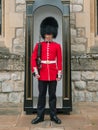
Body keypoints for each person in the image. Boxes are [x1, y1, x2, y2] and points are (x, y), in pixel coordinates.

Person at [31, 17, 62, 124]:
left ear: (53, 34)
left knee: (52, 96)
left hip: (53, 74)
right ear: (43, 34)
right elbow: (33, 59)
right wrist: (35, 72)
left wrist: (59, 73)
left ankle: (53, 115)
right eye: (46, 34)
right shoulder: (38, 45)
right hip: (42, 73)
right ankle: (40, 116)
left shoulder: (57, 46)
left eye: (50, 34)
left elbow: (59, 61)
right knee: (41, 96)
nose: (48, 36)